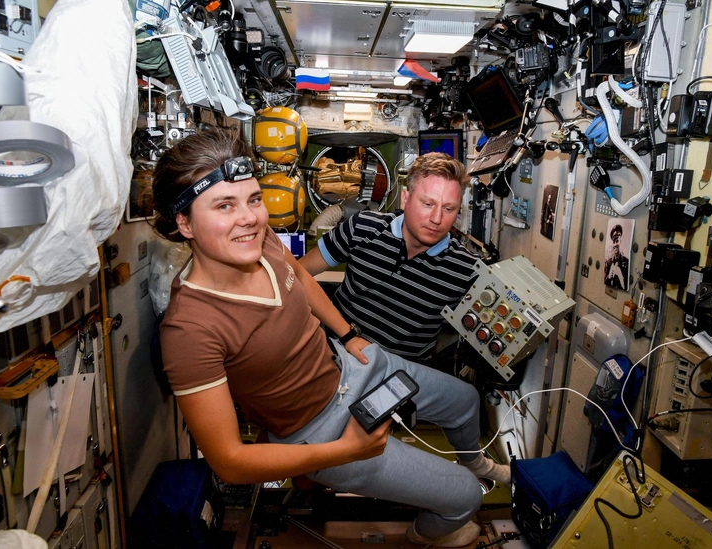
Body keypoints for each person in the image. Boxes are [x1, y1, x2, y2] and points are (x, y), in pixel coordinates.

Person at [150, 128, 510, 548]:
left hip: (354, 365)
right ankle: (421, 537)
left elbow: (300, 276)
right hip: (321, 430)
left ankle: (476, 462)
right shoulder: (189, 328)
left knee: (465, 400)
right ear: (185, 222)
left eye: (254, 199)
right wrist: (346, 451)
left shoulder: (260, 241)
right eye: (224, 205)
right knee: (465, 498)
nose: (249, 218)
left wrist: (349, 334)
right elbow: (229, 461)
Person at [300, 152, 479, 361]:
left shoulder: (466, 269)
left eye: (448, 208)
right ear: (405, 198)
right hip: (336, 354)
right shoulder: (362, 227)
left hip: (401, 373)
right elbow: (296, 273)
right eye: (428, 204)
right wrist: (347, 336)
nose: (437, 219)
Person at [604, 223, 629, 290]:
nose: (615, 244)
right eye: (613, 242)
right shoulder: (608, 262)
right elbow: (604, 283)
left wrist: (620, 275)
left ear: (620, 241)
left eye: (617, 241)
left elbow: (627, 288)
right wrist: (609, 276)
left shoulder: (627, 262)